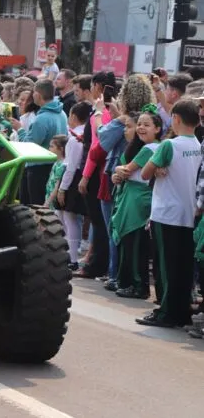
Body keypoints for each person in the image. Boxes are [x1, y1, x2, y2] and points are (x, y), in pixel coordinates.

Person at [137, 99, 203, 328]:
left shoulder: (170, 145)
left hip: (167, 213)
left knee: (165, 267)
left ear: (175, 118)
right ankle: (181, 310)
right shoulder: (198, 144)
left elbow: (145, 173)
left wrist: (157, 167)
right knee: (183, 267)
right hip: (189, 213)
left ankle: (166, 313)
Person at [110, 109, 162, 300]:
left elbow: (127, 169)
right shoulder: (141, 148)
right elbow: (122, 172)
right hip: (131, 197)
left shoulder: (152, 149)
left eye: (146, 125)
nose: (140, 128)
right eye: (139, 124)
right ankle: (129, 283)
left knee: (135, 244)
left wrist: (118, 170)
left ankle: (138, 286)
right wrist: (118, 173)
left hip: (138, 200)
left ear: (157, 129)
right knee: (129, 243)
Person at [74, 71, 117, 280]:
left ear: (98, 86)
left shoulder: (101, 113)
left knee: (99, 222)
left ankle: (96, 265)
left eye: (92, 85)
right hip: (100, 171)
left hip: (97, 172)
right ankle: (96, 261)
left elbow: (96, 148)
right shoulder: (104, 111)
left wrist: (85, 175)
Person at [10, 79, 68, 205]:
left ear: (37, 95)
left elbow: (29, 145)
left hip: (38, 168)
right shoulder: (62, 113)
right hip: (54, 165)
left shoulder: (41, 119)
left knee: (33, 207)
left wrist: (19, 129)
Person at [58, 102, 92, 268]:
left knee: (70, 218)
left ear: (73, 116)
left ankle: (71, 258)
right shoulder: (87, 134)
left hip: (73, 178)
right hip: (82, 176)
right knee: (75, 219)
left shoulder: (74, 138)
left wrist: (63, 188)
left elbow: (70, 167)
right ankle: (72, 256)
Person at [44, 135, 68, 213]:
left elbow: (56, 187)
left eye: (52, 146)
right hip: (50, 197)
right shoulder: (57, 163)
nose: (49, 149)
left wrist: (47, 202)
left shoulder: (61, 165)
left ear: (61, 149)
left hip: (53, 201)